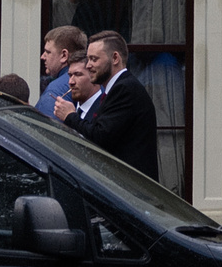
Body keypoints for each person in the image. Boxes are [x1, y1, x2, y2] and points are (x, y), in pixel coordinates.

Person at [58, 28, 159, 180]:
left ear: (115, 58)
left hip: (132, 190)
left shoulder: (125, 89)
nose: (88, 65)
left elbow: (100, 137)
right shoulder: (120, 88)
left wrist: (70, 116)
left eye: (94, 59)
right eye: (88, 59)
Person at [36, 26, 88, 116]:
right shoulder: (95, 83)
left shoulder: (56, 91)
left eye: (48, 52)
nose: (43, 57)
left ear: (64, 55)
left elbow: (49, 128)